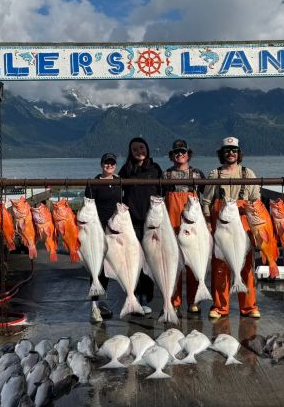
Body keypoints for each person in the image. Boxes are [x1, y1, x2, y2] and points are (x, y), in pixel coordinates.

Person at [202, 136, 261, 319]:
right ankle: (219, 307)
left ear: (238, 153)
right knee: (220, 267)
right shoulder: (214, 174)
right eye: (227, 150)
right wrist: (208, 223)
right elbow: (206, 202)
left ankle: (249, 307)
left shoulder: (248, 174)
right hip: (221, 227)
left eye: (234, 150)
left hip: (242, 227)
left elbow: (256, 202)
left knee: (246, 267)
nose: (231, 153)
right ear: (222, 153)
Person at [118, 137, 163, 314]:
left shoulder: (155, 169)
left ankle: (147, 297)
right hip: (132, 222)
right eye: (135, 149)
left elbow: (163, 192)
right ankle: (133, 295)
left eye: (142, 147)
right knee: (133, 260)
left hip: (152, 222)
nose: (139, 151)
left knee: (150, 260)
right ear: (131, 152)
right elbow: (118, 193)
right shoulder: (126, 169)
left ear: (147, 149)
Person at [162, 139, 206, 314]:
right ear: (172, 156)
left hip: (192, 225)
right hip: (172, 225)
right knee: (174, 263)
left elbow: (208, 198)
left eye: (183, 152)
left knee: (193, 262)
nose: (180, 155)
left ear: (188, 154)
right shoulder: (165, 175)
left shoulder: (197, 174)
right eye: (176, 152)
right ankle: (174, 301)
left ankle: (194, 301)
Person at [84, 152, 123, 323]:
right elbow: (88, 207)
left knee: (107, 269)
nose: (109, 165)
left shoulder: (119, 182)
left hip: (113, 230)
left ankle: (100, 303)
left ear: (115, 165)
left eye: (112, 163)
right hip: (96, 231)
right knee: (96, 268)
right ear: (101, 164)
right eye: (106, 163)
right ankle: (93, 306)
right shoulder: (93, 183)